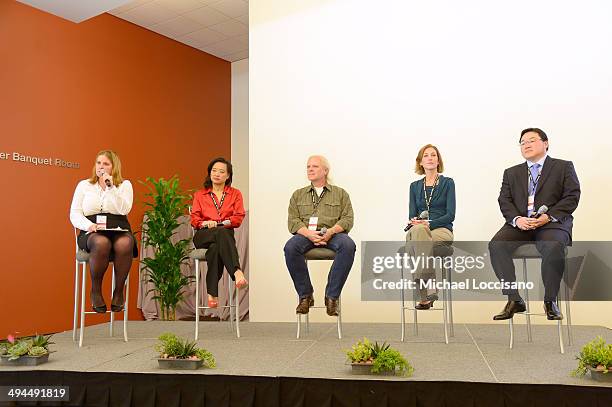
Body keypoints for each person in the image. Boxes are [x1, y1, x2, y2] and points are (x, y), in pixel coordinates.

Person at [489, 128, 580, 320]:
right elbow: (504, 200)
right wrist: (517, 219)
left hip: (551, 223)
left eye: (531, 140)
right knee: (496, 245)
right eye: (522, 142)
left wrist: (549, 217)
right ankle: (514, 300)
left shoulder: (563, 167)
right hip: (522, 224)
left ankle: (550, 301)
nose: (526, 144)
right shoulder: (511, 173)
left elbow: (572, 196)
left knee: (553, 245)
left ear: (545, 143)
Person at [284, 155, 356, 316]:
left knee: (348, 245)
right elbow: (293, 220)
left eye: (315, 166)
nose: (310, 169)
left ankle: (331, 297)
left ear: (325, 170)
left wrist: (331, 232)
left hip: (333, 233)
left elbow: (347, 219)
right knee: (290, 247)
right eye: (308, 166)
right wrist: (308, 234)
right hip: (306, 234)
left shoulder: (340, 193)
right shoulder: (298, 194)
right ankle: (305, 296)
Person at [70, 150, 137, 313]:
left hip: (119, 227)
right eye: (99, 163)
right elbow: (75, 213)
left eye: (106, 164)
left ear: (114, 167)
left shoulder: (124, 185)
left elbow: (124, 209)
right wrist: (88, 226)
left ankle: (119, 292)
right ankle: (96, 290)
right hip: (92, 230)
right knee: (101, 242)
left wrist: (111, 186)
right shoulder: (84, 185)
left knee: (126, 242)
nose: (101, 167)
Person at [191, 157, 246, 309]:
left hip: (223, 235)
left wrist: (221, 223)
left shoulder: (235, 194)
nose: (217, 174)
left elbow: (238, 217)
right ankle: (236, 271)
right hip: (203, 234)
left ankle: (212, 294)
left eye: (221, 172)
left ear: (228, 176)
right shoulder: (200, 195)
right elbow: (194, 220)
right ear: (209, 173)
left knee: (216, 248)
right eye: (214, 171)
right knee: (222, 233)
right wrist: (205, 223)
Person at [405, 144, 456, 309]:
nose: (430, 158)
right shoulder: (414, 186)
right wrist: (415, 221)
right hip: (419, 230)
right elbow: (412, 214)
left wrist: (430, 223)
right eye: (426, 155)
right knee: (419, 231)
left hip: (442, 230)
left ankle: (424, 294)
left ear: (438, 160)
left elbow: (450, 215)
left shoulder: (448, 183)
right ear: (420, 162)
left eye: (433, 155)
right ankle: (430, 289)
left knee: (417, 242)